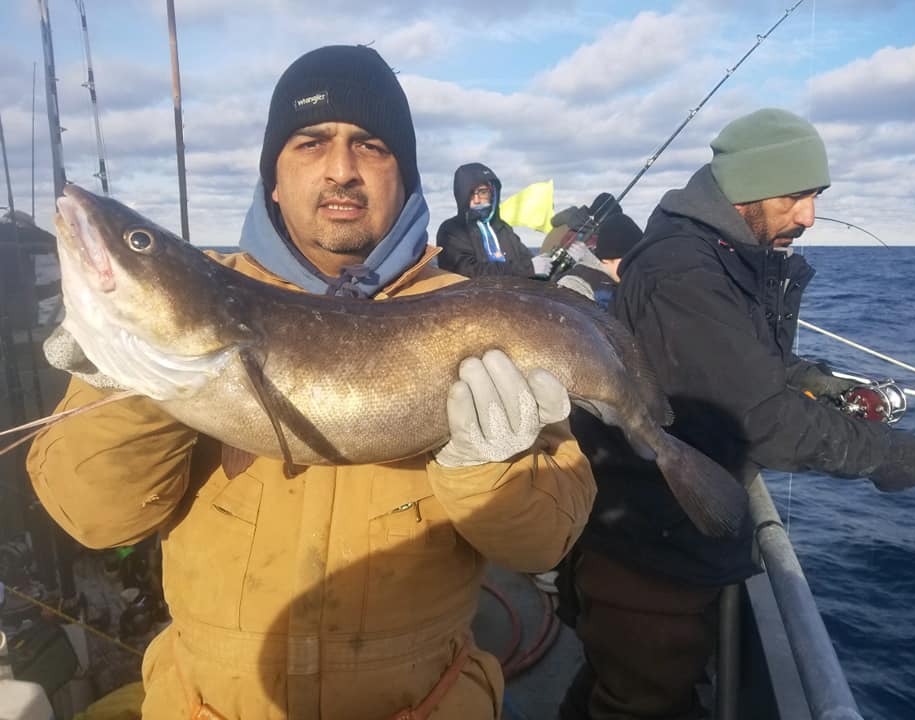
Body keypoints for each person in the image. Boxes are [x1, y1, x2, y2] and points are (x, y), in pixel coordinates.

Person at [27, 45, 596, 720]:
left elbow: (543, 544)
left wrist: (490, 467)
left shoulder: (479, 318)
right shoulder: (189, 303)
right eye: (311, 142)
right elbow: (94, 518)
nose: (341, 169)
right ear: (273, 178)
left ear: (405, 179)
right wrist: (134, 377)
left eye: (371, 146)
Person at [557, 108, 915, 720]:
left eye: (816, 196)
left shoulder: (721, 254)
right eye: (794, 196)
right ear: (747, 188)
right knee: (642, 703)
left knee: (616, 687)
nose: (809, 216)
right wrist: (889, 455)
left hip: (672, 527)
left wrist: (806, 377)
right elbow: (761, 419)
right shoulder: (682, 272)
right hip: (648, 542)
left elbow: (734, 361)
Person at [436, 162, 553, 278]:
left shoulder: (503, 228)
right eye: (470, 194)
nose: (477, 200)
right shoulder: (451, 230)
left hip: (515, 289)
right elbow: (467, 272)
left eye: (483, 192)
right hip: (473, 291)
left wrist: (550, 263)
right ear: (461, 196)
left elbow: (527, 260)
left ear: (493, 194)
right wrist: (527, 269)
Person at [553, 210, 644, 309]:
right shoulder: (575, 284)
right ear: (607, 260)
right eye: (627, 261)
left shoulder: (631, 282)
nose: (633, 267)